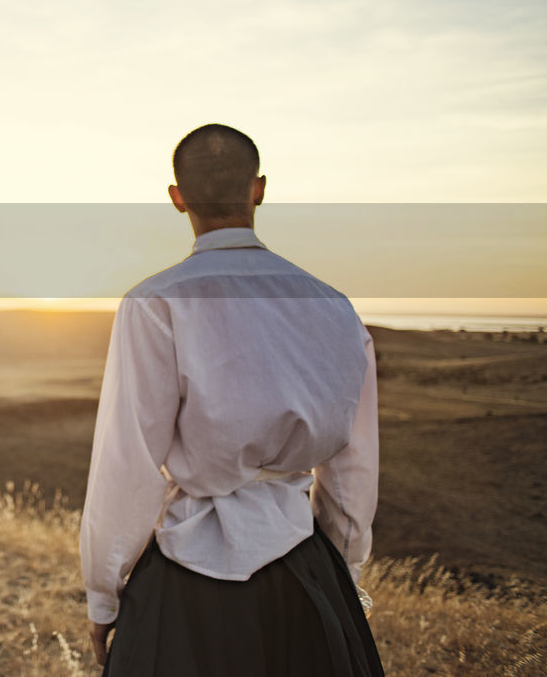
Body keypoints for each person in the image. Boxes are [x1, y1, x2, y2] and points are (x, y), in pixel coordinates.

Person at [80, 124, 383, 676]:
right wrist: (342, 577)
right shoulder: (335, 307)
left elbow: (128, 467)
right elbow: (351, 469)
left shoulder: (154, 303)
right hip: (307, 575)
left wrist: (104, 594)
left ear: (177, 199)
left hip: (185, 582)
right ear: (259, 189)